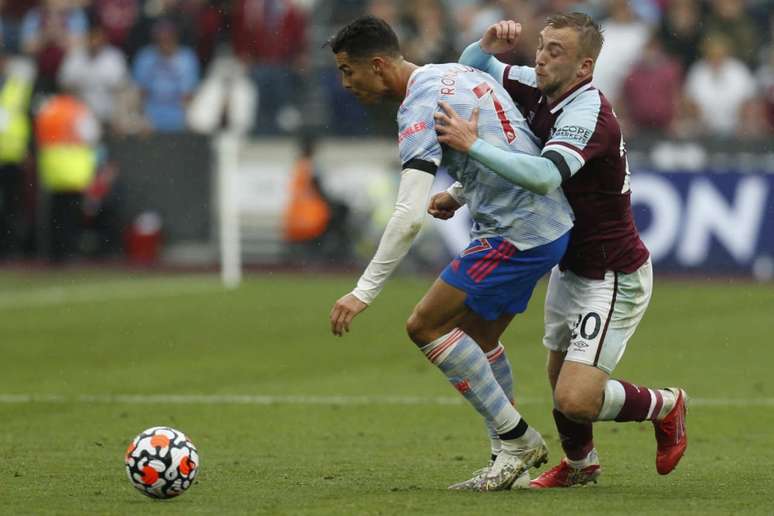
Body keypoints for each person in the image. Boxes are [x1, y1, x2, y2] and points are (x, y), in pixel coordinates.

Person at [433, 15, 687, 488]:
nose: (541, 56)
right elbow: (471, 70)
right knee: (558, 378)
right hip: (569, 265)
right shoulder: (539, 84)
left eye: (556, 51)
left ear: (584, 66)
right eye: (543, 45)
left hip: (611, 272)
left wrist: (471, 147)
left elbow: (545, 176)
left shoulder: (589, 115)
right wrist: (483, 44)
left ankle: (665, 404)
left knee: (574, 398)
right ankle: (580, 466)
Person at [326, 15, 574, 491]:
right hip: (545, 224)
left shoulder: (419, 105)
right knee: (478, 339)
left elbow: (407, 214)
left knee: (424, 325)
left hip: (516, 232)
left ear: (377, 65)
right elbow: (511, 135)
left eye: (346, 70)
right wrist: (460, 192)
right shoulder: (456, 73)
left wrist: (363, 291)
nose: (345, 82)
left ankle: (517, 440)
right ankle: (508, 460)